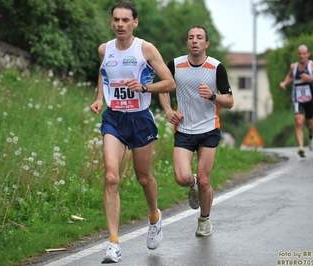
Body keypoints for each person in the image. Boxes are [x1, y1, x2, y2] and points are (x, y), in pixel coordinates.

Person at [89, 0, 175, 263]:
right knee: (111, 177)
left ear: (135, 22)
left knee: (144, 177)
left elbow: (169, 82)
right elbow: (104, 73)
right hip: (114, 119)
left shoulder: (145, 48)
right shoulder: (105, 49)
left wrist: (144, 87)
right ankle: (113, 243)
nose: (120, 24)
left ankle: (154, 217)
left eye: (125, 20)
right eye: (116, 19)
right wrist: (99, 98)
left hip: (140, 119)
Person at [159, 25, 234, 237]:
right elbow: (163, 87)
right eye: (191, 37)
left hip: (209, 128)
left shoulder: (216, 67)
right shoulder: (175, 65)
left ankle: (204, 219)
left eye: (199, 38)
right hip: (183, 128)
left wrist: (212, 96)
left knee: (205, 180)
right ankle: (191, 184)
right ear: (187, 43)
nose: (194, 41)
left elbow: (229, 101)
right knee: (182, 178)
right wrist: (167, 110)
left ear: (206, 43)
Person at [279, 44, 313, 158]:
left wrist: (310, 78)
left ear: (308, 54)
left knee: (310, 124)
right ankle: (300, 147)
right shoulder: (293, 67)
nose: (302, 56)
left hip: (310, 98)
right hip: (297, 98)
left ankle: (311, 136)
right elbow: (290, 76)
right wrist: (284, 83)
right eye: (300, 53)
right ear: (297, 54)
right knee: (299, 121)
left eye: (304, 53)